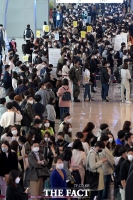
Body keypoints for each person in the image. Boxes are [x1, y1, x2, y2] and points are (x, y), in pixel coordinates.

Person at [100, 135, 114, 200]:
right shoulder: (105, 149)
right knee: (106, 187)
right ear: (105, 141)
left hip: (100, 170)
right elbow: (111, 160)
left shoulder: (97, 147)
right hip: (106, 170)